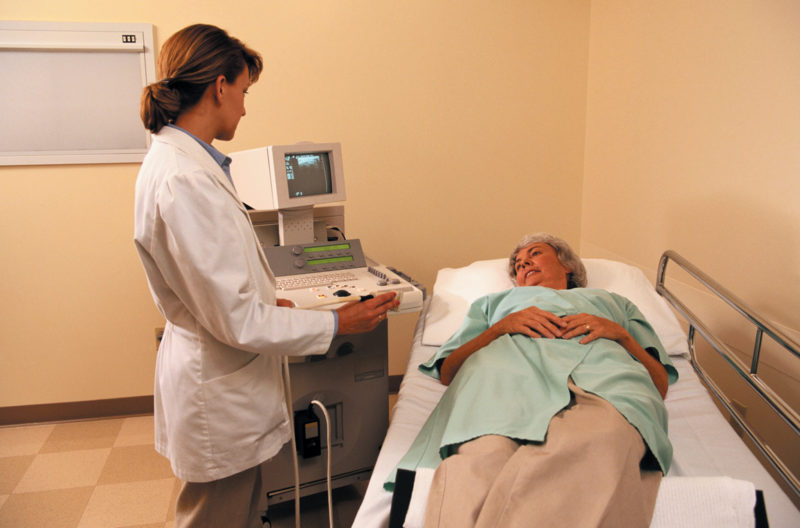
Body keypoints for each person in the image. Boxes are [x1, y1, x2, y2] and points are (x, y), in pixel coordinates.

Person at [135, 24, 398, 528]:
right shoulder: (186, 178)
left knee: (241, 507)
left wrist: (265, 299)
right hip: (217, 386)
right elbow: (234, 318)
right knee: (215, 514)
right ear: (219, 85)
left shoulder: (185, 165)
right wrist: (338, 324)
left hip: (219, 371)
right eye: (244, 91)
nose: (245, 107)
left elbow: (216, 287)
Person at [387, 233, 678, 528]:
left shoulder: (612, 302)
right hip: (504, 379)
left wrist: (621, 335)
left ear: (567, 266)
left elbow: (659, 385)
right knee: (481, 460)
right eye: (518, 264)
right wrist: (500, 328)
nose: (524, 263)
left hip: (602, 376)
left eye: (534, 254)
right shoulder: (494, 303)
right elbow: (448, 371)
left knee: (607, 436)